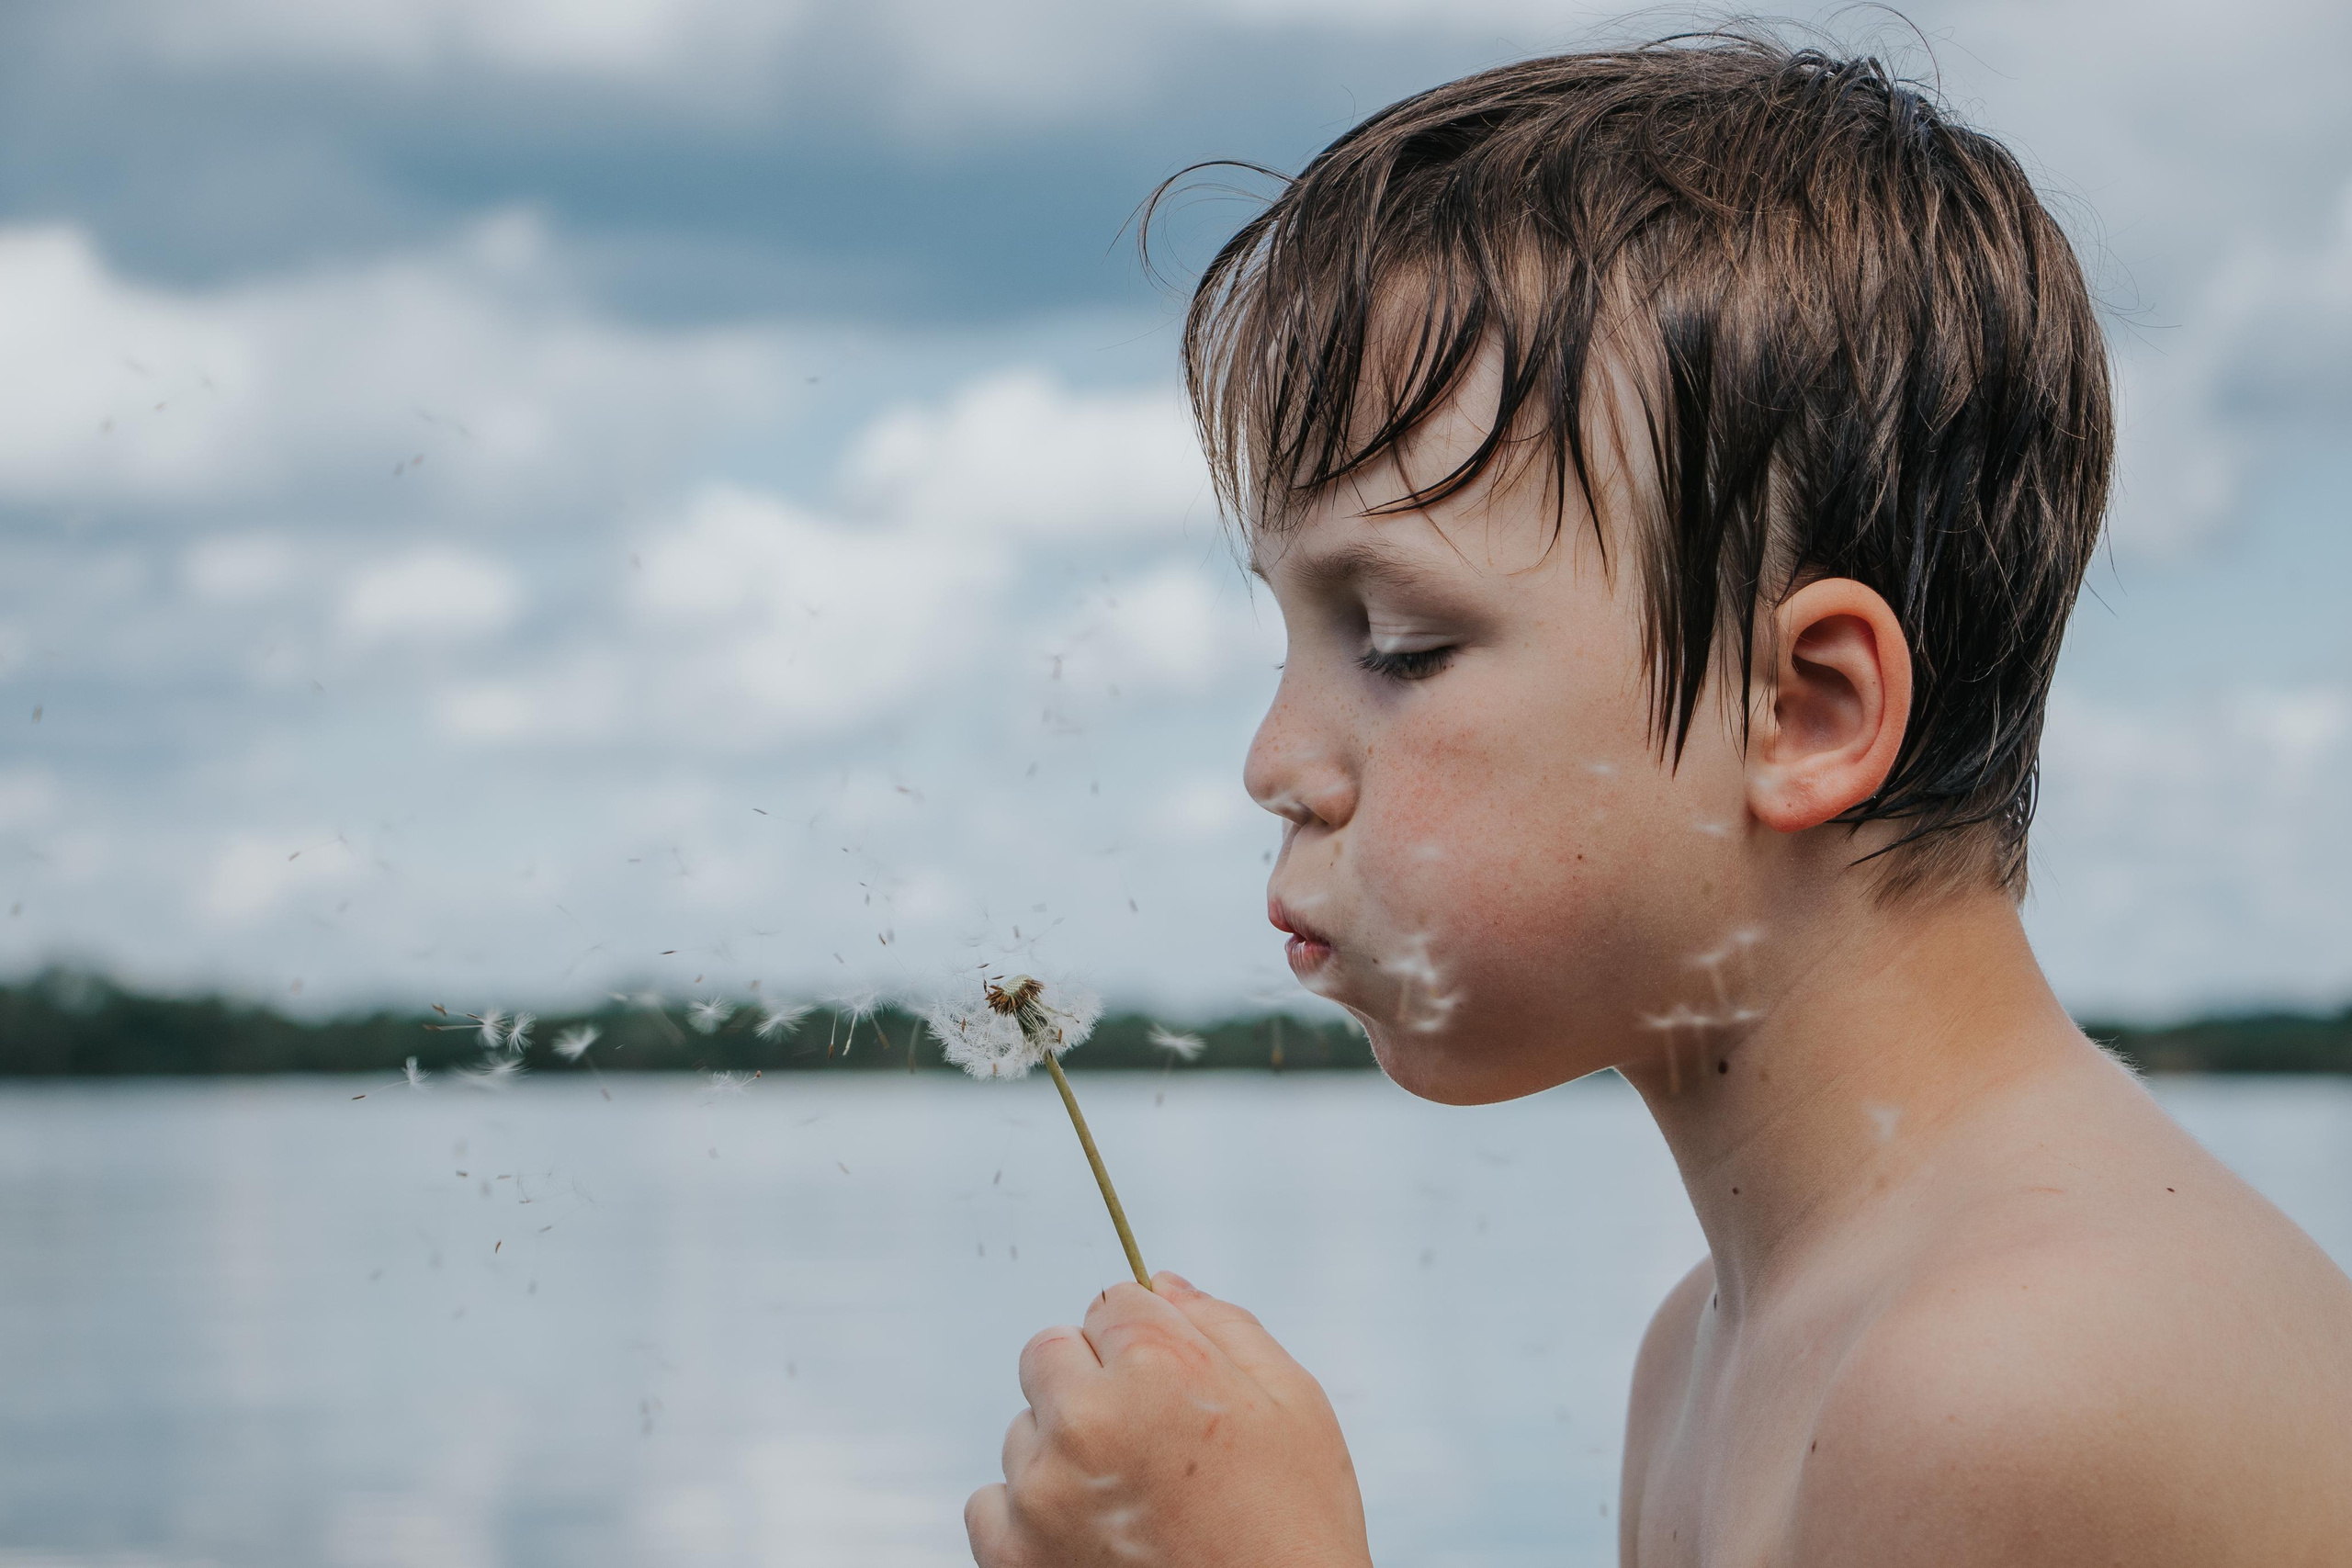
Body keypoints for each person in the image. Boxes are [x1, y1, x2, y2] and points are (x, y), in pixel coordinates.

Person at [963, 30, 2352, 1566]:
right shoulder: (1707, 1347)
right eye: (1290, 641)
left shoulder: (2006, 1387)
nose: (1277, 763)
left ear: (1806, 711)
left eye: (1402, 647)